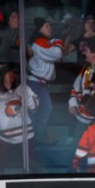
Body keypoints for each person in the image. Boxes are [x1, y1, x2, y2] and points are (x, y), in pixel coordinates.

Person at [0, 67, 39, 173]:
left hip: (25, 134)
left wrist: (25, 96)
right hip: (3, 135)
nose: (9, 81)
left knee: (33, 164)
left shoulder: (24, 89)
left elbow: (34, 106)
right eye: (6, 79)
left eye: (12, 78)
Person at [28, 16, 76, 146]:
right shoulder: (39, 41)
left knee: (42, 109)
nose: (50, 28)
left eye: (50, 25)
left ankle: (38, 136)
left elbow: (58, 56)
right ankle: (38, 137)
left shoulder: (45, 42)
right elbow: (57, 54)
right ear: (40, 29)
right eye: (47, 26)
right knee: (45, 108)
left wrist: (65, 41)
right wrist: (59, 40)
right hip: (36, 82)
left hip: (40, 83)